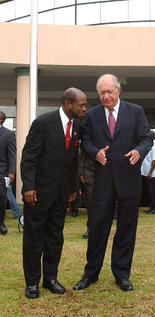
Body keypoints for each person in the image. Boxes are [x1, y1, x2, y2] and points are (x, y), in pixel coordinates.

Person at [73, 74, 152, 292]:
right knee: (97, 227)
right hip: (101, 181)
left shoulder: (135, 112)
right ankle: (91, 273)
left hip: (128, 179)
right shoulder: (91, 115)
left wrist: (139, 151)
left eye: (109, 91)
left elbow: (147, 138)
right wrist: (94, 152)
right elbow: (85, 141)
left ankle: (122, 274)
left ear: (118, 91)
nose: (105, 96)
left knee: (126, 228)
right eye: (101, 93)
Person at [20, 87, 87, 299]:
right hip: (38, 194)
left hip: (61, 195)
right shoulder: (43, 123)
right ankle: (32, 283)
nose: (84, 109)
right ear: (68, 104)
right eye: (81, 105)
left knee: (55, 239)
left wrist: (72, 188)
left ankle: (50, 278)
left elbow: (73, 160)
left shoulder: (77, 125)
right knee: (34, 239)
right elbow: (29, 157)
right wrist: (29, 186)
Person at [0, 111, 16, 235]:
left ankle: (1, 223)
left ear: (1, 120)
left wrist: (11, 172)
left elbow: (12, 155)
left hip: (2, 172)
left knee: (2, 198)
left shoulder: (9, 134)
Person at [141, 131, 155, 214]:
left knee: (154, 192)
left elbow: (154, 161)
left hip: (153, 174)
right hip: (148, 172)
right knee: (150, 192)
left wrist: (150, 172)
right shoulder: (150, 145)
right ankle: (152, 207)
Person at [79, 147, 95, 239]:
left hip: (104, 172)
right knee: (90, 203)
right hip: (89, 173)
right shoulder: (87, 135)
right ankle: (90, 228)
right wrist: (81, 173)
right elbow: (81, 156)